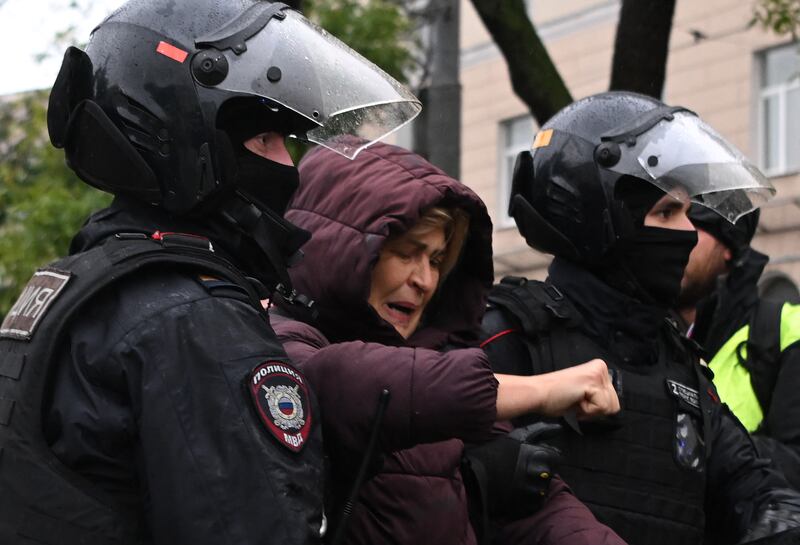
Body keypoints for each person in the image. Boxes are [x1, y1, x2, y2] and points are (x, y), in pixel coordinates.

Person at [0, 1, 421, 543]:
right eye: (265, 140)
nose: (288, 168)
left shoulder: (73, 288)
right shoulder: (195, 319)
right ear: (184, 140)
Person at [480, 91, 800, 545]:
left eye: (689, 212)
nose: (690, 232)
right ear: (602, 222)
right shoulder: (509, 338)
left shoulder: (677, 364)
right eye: (667, 211)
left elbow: (755, 487)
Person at [270, 141, 625, 545]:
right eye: (407, 253)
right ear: (340, 251)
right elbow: (347, 384)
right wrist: (542, 391)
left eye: (437, 261)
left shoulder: (434, 364)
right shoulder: (276, 340)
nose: (424, 280)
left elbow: (541, 512)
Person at [678, 205, 800, 488]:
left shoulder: (784, 329)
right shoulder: (642, 328)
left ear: (728, 247)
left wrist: (705, 444)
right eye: (666, 218)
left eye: (694, 224)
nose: (679, 235)